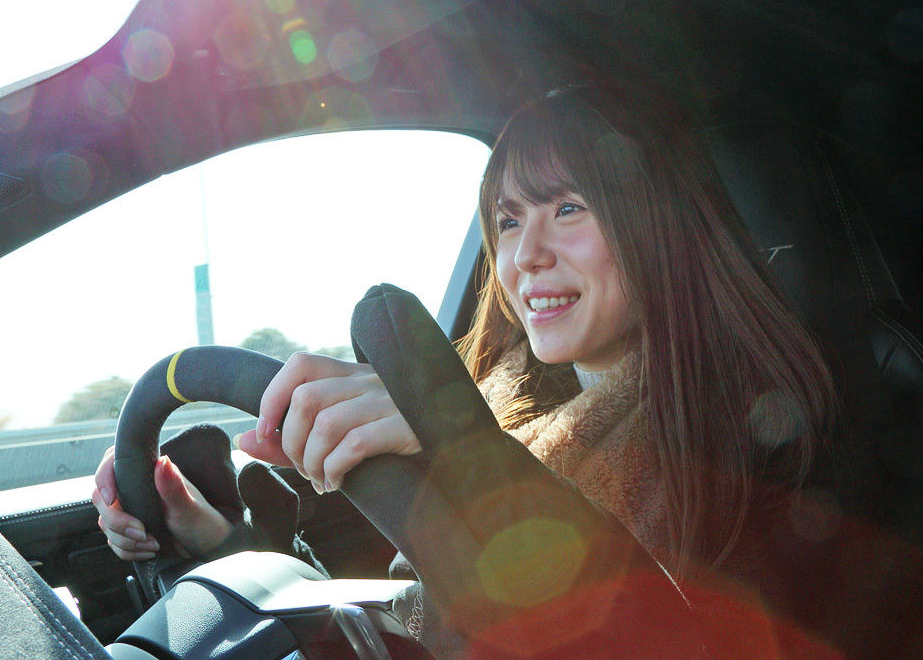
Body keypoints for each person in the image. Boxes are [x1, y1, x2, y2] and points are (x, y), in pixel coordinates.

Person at [92, 82, 837, 651]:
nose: (524, 254)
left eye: (568, 209)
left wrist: (472, 459)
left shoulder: (749, 453)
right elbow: (408, 626)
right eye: (509, 219)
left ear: (658, 227)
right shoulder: (518, 413)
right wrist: (222, 545)